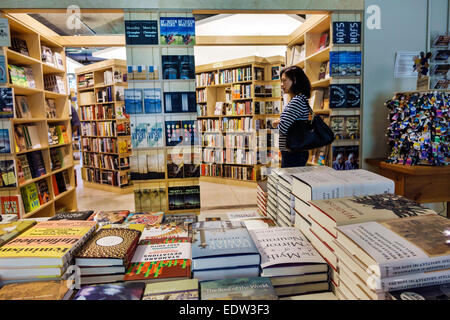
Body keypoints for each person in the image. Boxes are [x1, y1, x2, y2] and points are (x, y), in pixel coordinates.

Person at [272, 66, 311, 168]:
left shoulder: (297, 101)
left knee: (290, 182)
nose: (281, 84)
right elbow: (293, 121)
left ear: (294, 80)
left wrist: (277, 124)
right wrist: (281, 121)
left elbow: (283, 129)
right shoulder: (300, 98)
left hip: (294, 153)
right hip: (294, 151)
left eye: (284, 80)